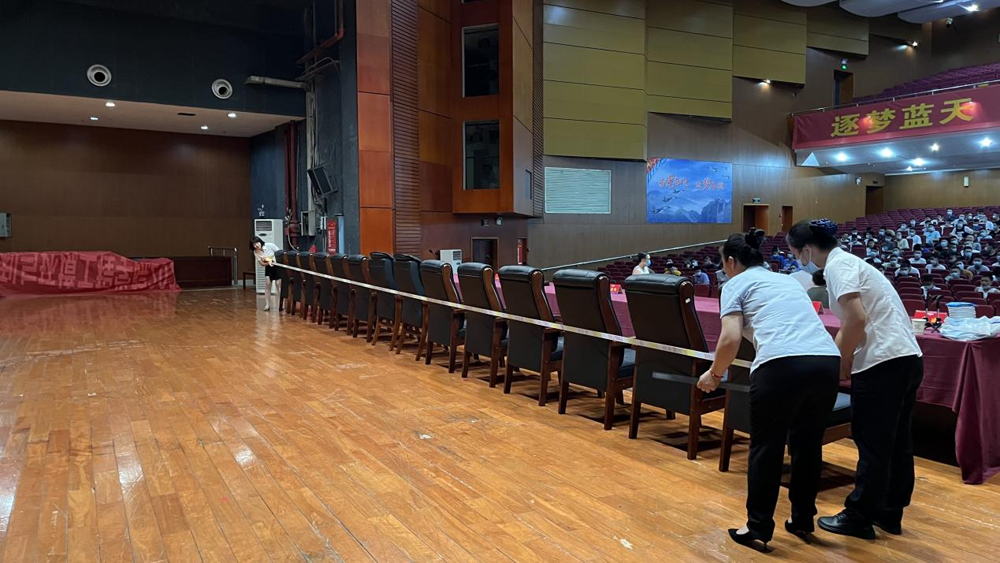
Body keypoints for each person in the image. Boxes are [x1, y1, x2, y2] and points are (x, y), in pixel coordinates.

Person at [696, 229, 840, 551]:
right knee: (808, 445)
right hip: (826, 361)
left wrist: (714, 375)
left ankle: (758, 526)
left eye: (723, 264)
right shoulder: (788, 281)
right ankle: (802, 519)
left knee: (767, 447)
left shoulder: (734, 285)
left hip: (781, 365)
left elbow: (730, 338)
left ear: (731, 261)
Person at [787, 219, 923, 540]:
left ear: (807, 250)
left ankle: (860, 515)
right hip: (905, 358)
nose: (797, 260)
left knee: (873, 441)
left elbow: (856, 318)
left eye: (795, 254)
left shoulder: (838, 266)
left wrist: (841, 360)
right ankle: (889, 512)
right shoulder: (850, 263)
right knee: (896, 442)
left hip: (882, 362)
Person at [251, 236, 281, 311]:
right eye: (254, 244)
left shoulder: (269, 245)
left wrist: (273, 261)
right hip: (268, 267)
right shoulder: (256, 252)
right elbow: (261, 263)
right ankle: (267, 305)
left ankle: (281, 304)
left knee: (278, 284)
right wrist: (268, 262)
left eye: (257, 243)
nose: (256, 245)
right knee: (268, 284)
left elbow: (280, 253)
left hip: (277, 266)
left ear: (260, 241)